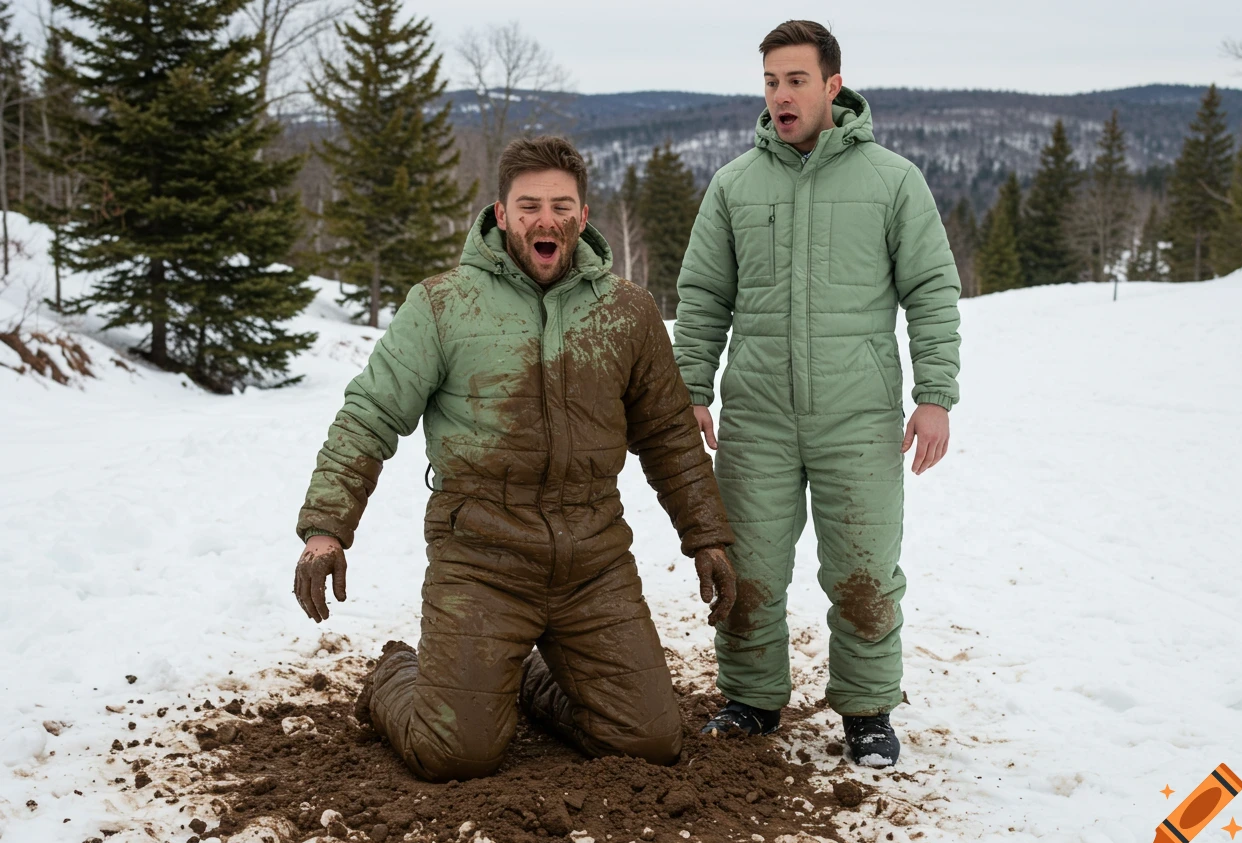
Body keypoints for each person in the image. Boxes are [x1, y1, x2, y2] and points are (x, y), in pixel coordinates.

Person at [292, 136, 738, 782]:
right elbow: (369, 416)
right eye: (529, 206)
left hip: (593, 561)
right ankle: (396, 674)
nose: (545, 219)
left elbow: (669, 434)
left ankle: (522, 678)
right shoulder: (443, 306)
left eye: (561, 206)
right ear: (501, 214)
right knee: (454, 753)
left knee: (649, 741)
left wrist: (707, 536)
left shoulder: (627, 312)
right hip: (482, 560)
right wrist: (326, 529)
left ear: (583, 216)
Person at [674, 20, 961, 767]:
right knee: (748, 572)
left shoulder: (892, 181)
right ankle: (751, 699)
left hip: (857, 416)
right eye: (771, 82)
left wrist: (935, 394)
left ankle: (867, 709)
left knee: (864, 572)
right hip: (758, 417)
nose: (781, 95)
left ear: (833, 86)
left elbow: (931, 291)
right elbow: (703, 296)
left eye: (796, 80)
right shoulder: (736, 185)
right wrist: (691, 387)